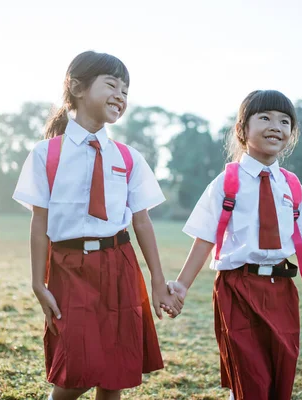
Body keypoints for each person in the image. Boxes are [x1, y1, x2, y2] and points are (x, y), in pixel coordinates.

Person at [13, 50, 182, 400]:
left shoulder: (128, 157)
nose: (120, 95)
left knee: (114, 373)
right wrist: (37, 282)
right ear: (76, 87)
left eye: (126, 90)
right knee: (76, 369)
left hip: (119, 264)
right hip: (69, 267)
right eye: (111, 85)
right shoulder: (47, 155)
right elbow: (39, 222)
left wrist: (156, 280)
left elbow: (142, 222)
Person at [166, 90, 302, 400]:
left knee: (278, 377)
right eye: (265, 117)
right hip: (237, 288)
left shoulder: (292, 186)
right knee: (249, 377)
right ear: (242, 129)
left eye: (285, 121)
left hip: (283, 290)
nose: (276, 126)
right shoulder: (226, 182)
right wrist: (182, 286)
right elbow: (204, 239)